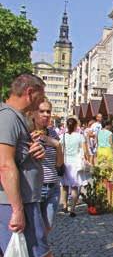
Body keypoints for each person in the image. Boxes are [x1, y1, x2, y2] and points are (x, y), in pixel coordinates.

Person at [0, 74, 53, 257]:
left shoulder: (17, 118)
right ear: (30, 92)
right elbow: (4, 164)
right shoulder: (8, 118)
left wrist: (34, 154)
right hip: (16, 203)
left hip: (20, 201)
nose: (41, 100)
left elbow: (15, 158)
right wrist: (18, 210)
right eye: (40, 95)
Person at [32, 99, 63, 232]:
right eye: (42, 111)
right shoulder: (28, 133)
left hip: (53, 187)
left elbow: (59, 164)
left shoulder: (53, 133)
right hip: (36, 188)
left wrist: (57, 145)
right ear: (34, 113)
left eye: (48, 111)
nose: (46, 114)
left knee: (47, 227)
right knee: (35, 229)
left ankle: (43, 252)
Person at [60, 117, 89, 217]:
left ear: (67, 126)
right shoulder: (80, 136)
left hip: (66, 161)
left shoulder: (62, 136)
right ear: (76, 125)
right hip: (76, 163)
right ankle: (72, 209)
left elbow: (61, 151)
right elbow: (85, 151)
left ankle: (64, 206)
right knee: (74, 187)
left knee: (64, 186)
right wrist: (88, 159)